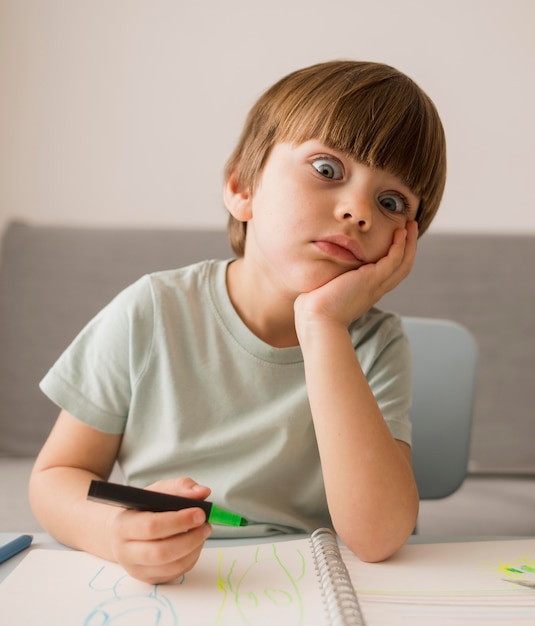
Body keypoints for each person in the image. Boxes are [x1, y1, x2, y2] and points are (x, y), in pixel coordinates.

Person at [29, 60, 447, 584]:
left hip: (309, 587)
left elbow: (379, 536)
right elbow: (56, 478)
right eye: (327, 169)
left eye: (391, 202)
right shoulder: (152, 309)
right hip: (173, 586)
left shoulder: (376, 342)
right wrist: (115, 533)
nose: (358, 211)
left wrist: (321, 324)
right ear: (242, 187)